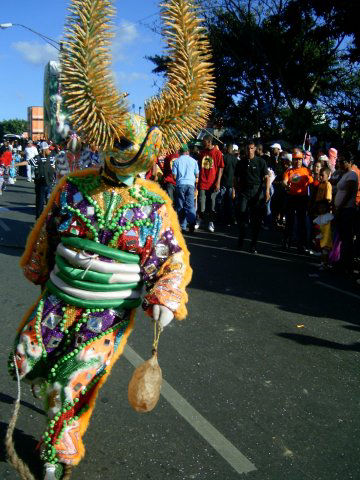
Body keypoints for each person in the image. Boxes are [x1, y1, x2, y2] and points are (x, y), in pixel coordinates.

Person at [6, 1, 213, 479]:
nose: (123, 151)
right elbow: (48, 232)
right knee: (28, 360)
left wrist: (166, 293)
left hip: (107, 310)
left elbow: (171, 256)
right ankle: (55, 410)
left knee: (73, 379)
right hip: (57, 300)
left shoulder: (155, 203)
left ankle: (59, 449)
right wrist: (40, 267)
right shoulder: (73, 187)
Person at [235, 139, 270, 253]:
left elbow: (266, 177)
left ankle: (253, 245)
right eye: (247, 148)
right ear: (245, 149)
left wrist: (267, 191)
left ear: (255, 149)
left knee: (256, 221)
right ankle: (241, 240)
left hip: (257, 192)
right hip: (244, 192)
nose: (249, 150)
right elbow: (236, 178)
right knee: (242, 216)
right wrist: (235, 190)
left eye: (251, 148)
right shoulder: (241, 162)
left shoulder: (261, 162)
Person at [283, 148, 313, 253]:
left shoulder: (306, 171)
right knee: (289, 221)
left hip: (302, 198)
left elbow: (312, 183)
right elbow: (285, 181)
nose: (298, 161)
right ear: (293, 160)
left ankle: (302, 245)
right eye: (296, 159)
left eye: (300, 159)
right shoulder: (289, 171)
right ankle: (286, 242)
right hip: (291, 198)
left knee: (302, 222)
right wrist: (286, 185)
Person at [334, 152, 358, 273]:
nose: (340, 163)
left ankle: (347, 264)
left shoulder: (352, 175)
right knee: (342, 237)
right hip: (342, 209)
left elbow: (348, 194)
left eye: (342, 161)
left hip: (347, 209)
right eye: (339, 161)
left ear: (349, 162)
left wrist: (340, 208)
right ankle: (341, 261)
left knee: (347, 237)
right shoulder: (344, 174)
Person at [197, 135, 224, 232]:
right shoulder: (202, 152)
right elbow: (199, 167)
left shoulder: (217, 153)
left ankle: (211, 222)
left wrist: (218, 182)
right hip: (202, 182)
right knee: (201, 202)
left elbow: (221, 168)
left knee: (212, 204)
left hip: (213, 183)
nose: (202, 143)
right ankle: (199, 220)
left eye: (204, 141)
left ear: (209, 142)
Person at [172, 144, 199, 232]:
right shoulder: (194, 161)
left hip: (180, 184)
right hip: (191, 184)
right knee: (190, 205)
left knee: (180, 205)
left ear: (180, 152)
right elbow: (197, 174)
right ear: (188, 151)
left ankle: (182, 226)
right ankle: (192, 224)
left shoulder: (176, 161)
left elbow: (174, 175)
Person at [217, 143, 238, 226]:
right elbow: (237, 173)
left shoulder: (224, 158)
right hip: (231, 183)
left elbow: (221, 170)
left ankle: (221, 218)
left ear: (226, 149)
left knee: (221, 201)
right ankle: (230, 219)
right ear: (232, 149)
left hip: (224, 182)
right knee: (230, 202)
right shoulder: (235, 159)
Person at [313, 200, 334, 270]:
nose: (322, 209)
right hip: (322, 236)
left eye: (323, 207)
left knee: (325, 251)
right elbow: (317, 226)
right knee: (322, 251)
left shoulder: (329, 216)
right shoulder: (319, 217)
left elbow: (332, 226)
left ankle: (325, 264)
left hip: (327, 236)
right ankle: (323, 263)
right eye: (320, 208)